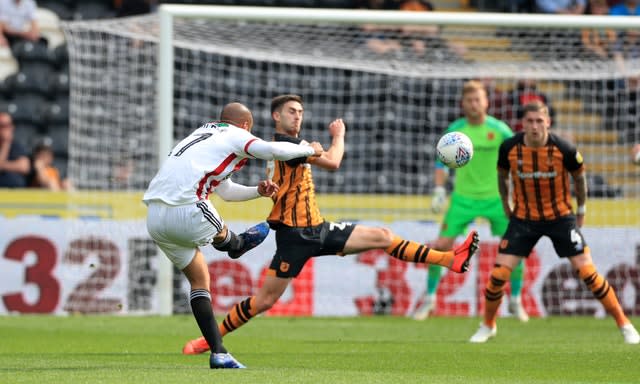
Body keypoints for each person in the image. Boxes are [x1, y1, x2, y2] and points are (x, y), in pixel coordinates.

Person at [181, 94, 480, 356]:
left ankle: (449, 259)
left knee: (383, 236)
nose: (297, 115)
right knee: (265, 300)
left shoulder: (288, 148)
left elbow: (317, 160)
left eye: (300, 111)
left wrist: (312, 149)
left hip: (318, 228)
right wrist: (339, 135)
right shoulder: (286, 145)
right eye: (291, 111)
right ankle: (210, 340)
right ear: (276, 116)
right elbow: (335, 161)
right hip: (294, 236)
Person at [143, 102, 324, 369]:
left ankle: (219, 353)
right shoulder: (235, 134)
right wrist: (311, 150)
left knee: (200, 279)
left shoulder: (201, 135)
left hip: (155, 217)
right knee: (234, 245)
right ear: (246, 125)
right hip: (186, 206)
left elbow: (225, 190)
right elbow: (272, 150)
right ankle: (236, 244)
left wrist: (258, 191)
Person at [469, 101, 640, 344]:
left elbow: (580, 181)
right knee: (498, 275)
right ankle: (487, 325)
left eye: (540, 121)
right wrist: (507, 205)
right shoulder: (509, 148)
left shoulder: (565, 149)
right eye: (530, 121)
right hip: (525, 219)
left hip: (560, 217)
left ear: (548, 122)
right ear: (523, 124)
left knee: (587, 273)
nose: (535, 126)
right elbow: (502, 176)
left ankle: (625, 325)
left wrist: (581, 209)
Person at [413, 80, 528, 322]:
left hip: (496, 199)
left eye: (478, 99)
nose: (474, 104)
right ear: (463, 104)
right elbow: (440, 164)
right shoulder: (456, 131)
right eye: (470, 100)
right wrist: (438, 190)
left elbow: (519, 158)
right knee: (441, 245)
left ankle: (516, 301)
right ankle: (430, 298)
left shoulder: (500, 130)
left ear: (486, 102)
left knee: (514, 246)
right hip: (463, 199)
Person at [0, 112, 30, 188]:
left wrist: (3, 165)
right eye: (2, 126)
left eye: (8, 125)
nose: (6, 129)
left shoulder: (16, 146)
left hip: (16, 192)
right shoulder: (7, 144)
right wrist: (6, 144)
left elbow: (24, 167)